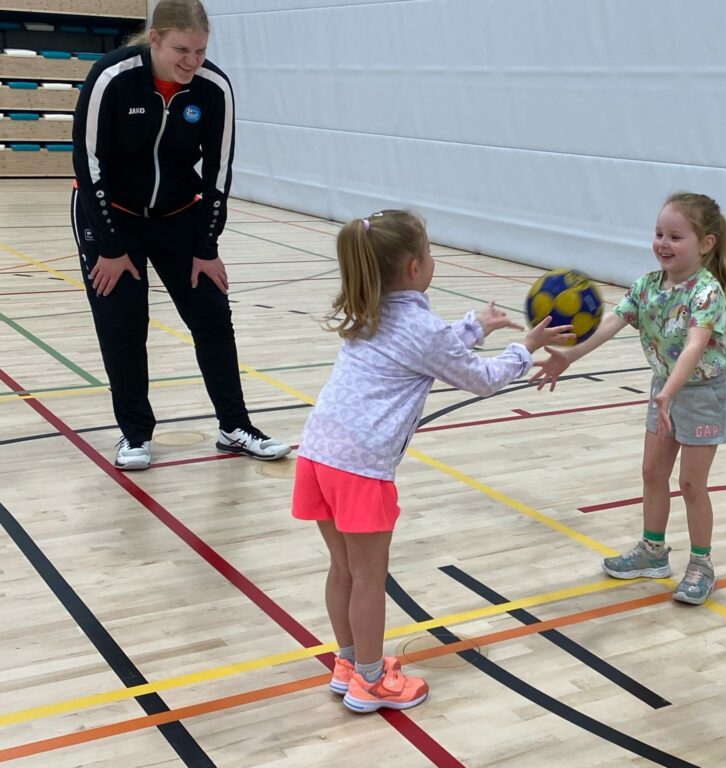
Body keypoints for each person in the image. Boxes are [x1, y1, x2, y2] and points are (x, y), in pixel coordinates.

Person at [292, 209, 573, 712]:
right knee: (369, 578)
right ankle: (371, 682)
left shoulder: (366, 307)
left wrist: (474, 326)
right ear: (415, 267)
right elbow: (480, 378)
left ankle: (350, 663)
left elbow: (428, 349)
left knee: (343, 570)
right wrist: (523, 347)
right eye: (428, 251)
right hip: (360, 469)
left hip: (317, 455)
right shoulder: (419, 327)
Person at [70, 0, 289, 470]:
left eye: (200, 50)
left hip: (179, 214)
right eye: (181, 50)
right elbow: (87, 164)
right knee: (124, 324)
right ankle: (135, 433)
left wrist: (207, 247)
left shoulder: (214, 88)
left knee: (212, 317)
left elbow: (218, 172)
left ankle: (235, 427)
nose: (192, 61)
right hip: (111, 213)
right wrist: (111, 247)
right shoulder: (112, 77)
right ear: (154, 40)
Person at [531, 192, 726, 605]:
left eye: (675, 236)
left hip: (702, 394)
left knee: (691, 483)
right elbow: (610, 323)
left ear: (706, 244)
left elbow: (695, 345)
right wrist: (569, 356)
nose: (663, 243)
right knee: (652, 472)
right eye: (659, 233)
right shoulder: (647, 286)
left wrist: (669, 392)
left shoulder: (706, 292)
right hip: (664, 391)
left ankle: (702, 565)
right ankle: (653, 551)